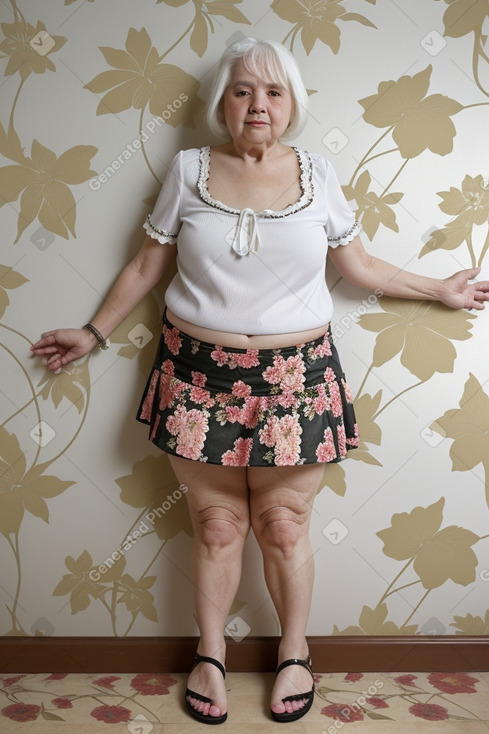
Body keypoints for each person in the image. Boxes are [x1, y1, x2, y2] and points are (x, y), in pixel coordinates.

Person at [31, 38, 489, 725]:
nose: (257, 105)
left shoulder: (318, 173)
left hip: (297, 380)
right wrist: (92, 333)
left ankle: (294, 654)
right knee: (216, 527)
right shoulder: (188, 171)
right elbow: (144, 268)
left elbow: (358, 266)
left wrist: (436, 290)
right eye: (243, 90)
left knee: (282, 525)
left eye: (273, 93)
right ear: (222, 101)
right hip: (196, 375)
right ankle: (210, 655)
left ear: (292, 105)